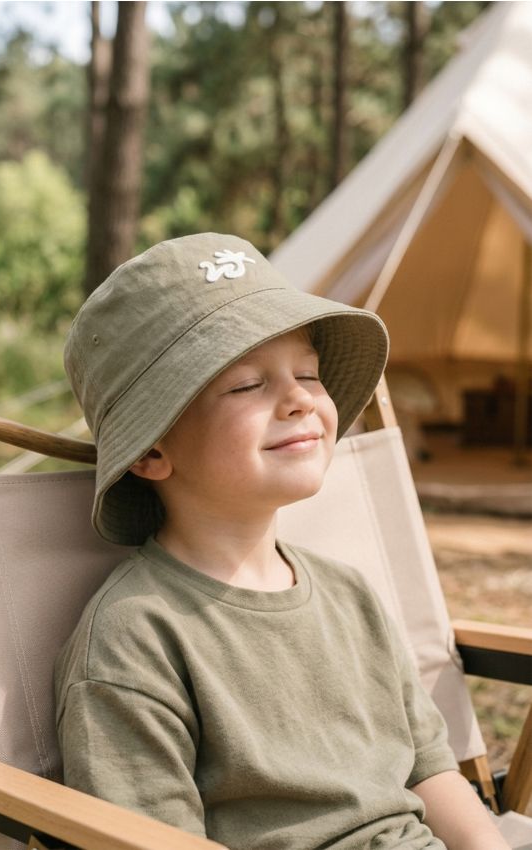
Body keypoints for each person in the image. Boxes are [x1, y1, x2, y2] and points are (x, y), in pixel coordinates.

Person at [55, 233, 508, 850]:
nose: (297, 399)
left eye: (307, 373)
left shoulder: (350, 594)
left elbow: (430, 768)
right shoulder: (135, 638)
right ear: (152, 449)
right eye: (246, 385)